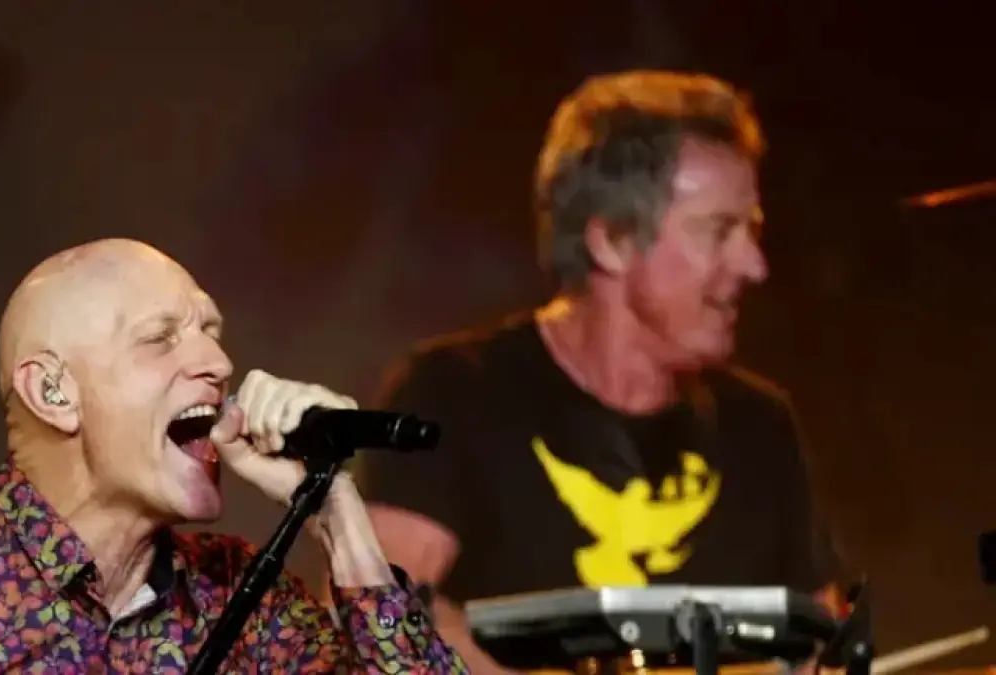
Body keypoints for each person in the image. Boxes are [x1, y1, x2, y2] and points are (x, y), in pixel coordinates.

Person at [0, 239, 468, 674]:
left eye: (211, 333)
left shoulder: (246, 602)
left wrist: (336, 512)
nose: (218, 362)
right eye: (160, 338)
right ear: (53, 392)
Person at [359, 71, 841, 672]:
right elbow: (373, 619)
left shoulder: (760, 424)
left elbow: (819, 648)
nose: (754, 264)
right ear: (611, 240)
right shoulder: (451, 394)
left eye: (752, 231)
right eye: (719, 231)